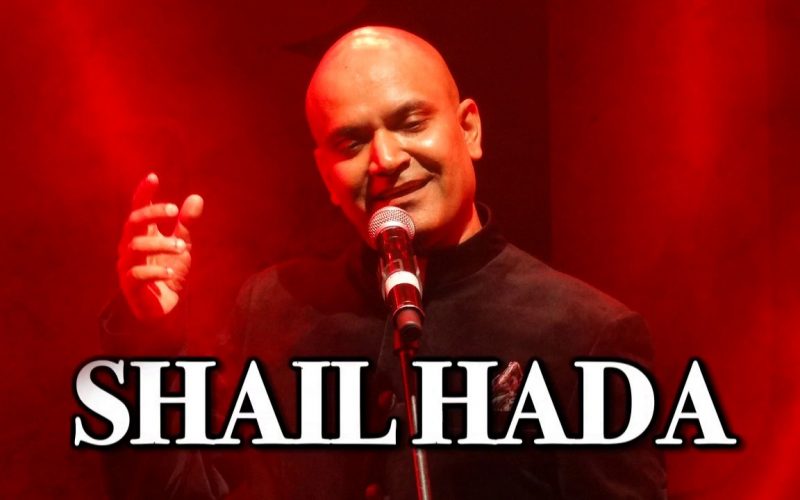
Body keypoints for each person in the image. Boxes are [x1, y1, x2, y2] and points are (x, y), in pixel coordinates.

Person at [104, 26, 667, 499]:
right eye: (351, 143)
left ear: (469, 129)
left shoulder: (583, 333)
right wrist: (148, 340)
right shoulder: (273, 307)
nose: (385, 159)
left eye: (412, 122)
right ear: (325, 175)